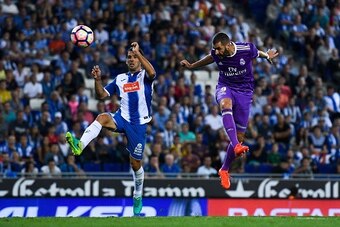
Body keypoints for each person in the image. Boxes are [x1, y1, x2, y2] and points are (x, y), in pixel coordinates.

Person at [65, 42, 156, 216]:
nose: (131, 59)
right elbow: (101, 96)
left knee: (135, 164)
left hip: (138, 125)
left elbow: (153, 72)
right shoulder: (120, 79)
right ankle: (80, 145)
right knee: (102, 117)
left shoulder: (145, 75)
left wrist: (139, 53)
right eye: (129, 57)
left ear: (140, 58)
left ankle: (137, 195)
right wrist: (97, 80)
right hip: (122, 117)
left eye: (134, 56)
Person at [180, 32, 278, 189]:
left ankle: (224, 169)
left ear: (228, 44)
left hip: (245, 92)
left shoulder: (245, 49)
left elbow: (257, 53)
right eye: (215, 49)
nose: (217, 52)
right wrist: (192, 65)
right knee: (225, 105)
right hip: (225, 87)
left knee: (240, 136)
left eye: (219, 48)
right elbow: (210, 58)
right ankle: (236, 145)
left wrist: (267, 56)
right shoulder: (216, 53)